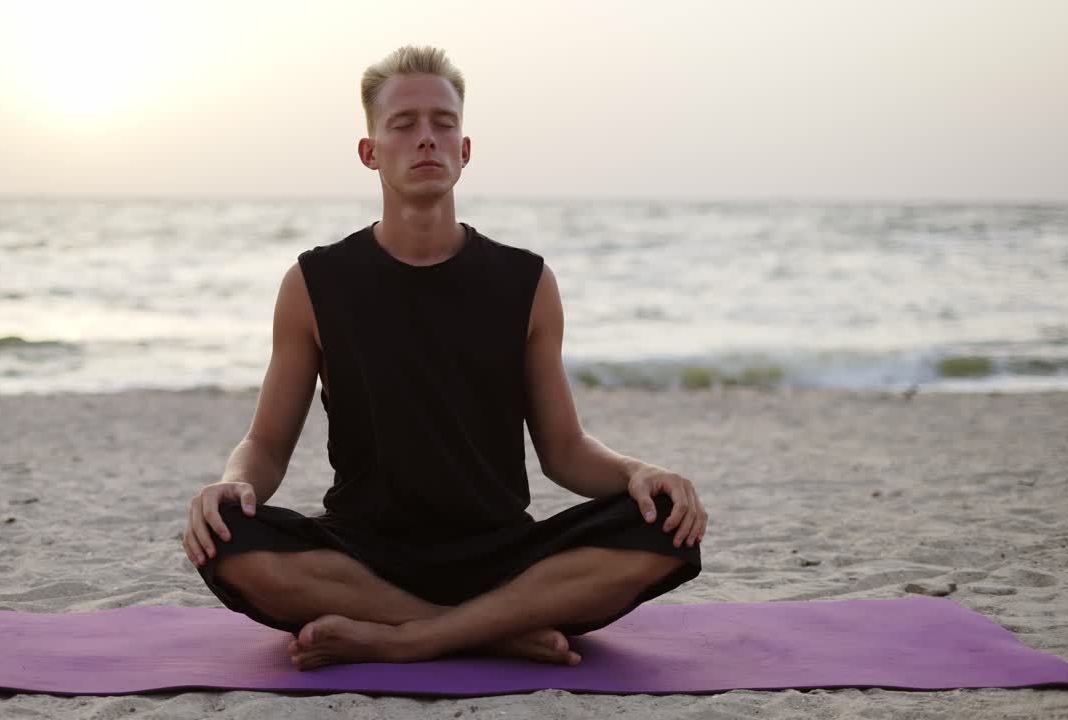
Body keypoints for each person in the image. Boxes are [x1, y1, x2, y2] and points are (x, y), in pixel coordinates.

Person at [182, 45, 708, 671]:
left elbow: (565, 450)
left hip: (504, 556)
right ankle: (491, 632)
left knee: (667, 520)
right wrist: (233, 482)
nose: (426, 139)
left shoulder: (527, 282)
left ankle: (408, 638)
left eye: (443, 123)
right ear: (370, 152)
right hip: (361, 556)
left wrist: (637, 472)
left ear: (464, 149)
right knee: (228, 538)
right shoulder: (314, 283)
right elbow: (266, 444)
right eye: (403, 126)